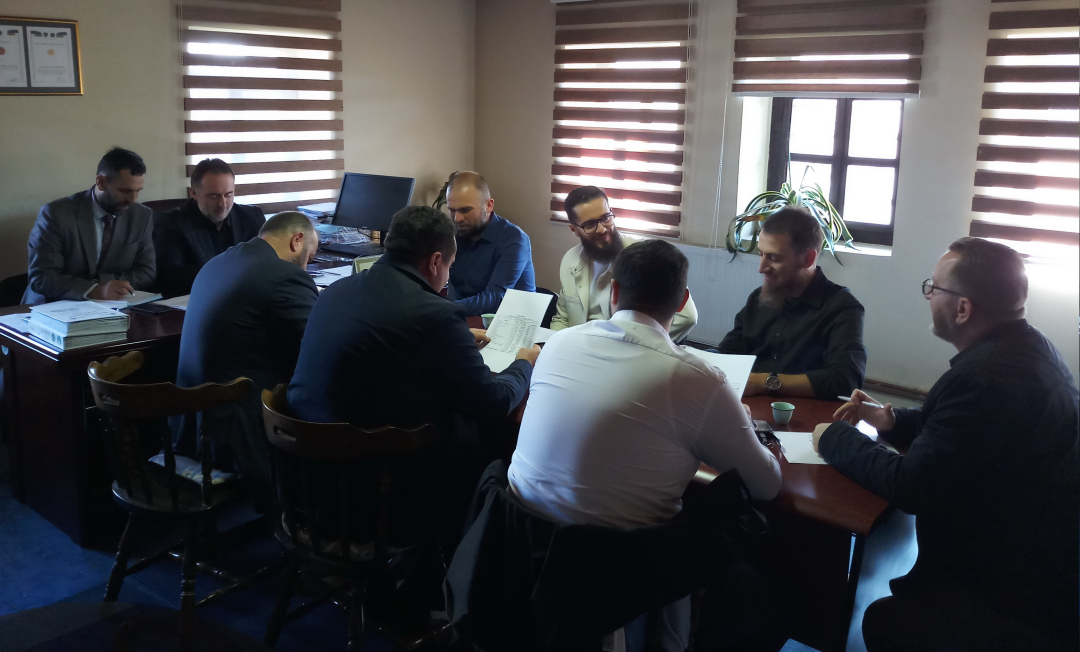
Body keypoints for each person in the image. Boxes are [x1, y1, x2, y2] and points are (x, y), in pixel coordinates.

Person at [509, 239, 782, 651]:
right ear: (682, 301)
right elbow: (766, 486)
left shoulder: (558, 344)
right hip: (613, 579)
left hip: (522, 556)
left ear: (614, 292)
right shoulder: (696, 379)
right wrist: (750, 431)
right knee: (750, 583)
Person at [812, 237, 1079, 652]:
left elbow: (910, 486)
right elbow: (962, 431)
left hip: (1008, 590)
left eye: (933, 288)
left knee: (884, 622)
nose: (928, 296)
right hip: (1040, 558)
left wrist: (833, 438)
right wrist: (891, 421)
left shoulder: (982, 378)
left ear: (963, 308)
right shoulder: (1029, 348)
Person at [287, 205, 539, 539]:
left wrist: (455, 341)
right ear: (435, 262)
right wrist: (523, 362)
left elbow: (390, 346)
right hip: (382, 485)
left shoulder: (336, 291)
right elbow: (494, 403)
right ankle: (466, 547)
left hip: (312, 476)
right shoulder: (435, 314)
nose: (447, 276)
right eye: (449, 265)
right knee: (490, 437)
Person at [172, 211, 319, 484]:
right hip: (238, 436)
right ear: (297, 240)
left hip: (192, 425)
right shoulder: (284, 275)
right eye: (309, 259)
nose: (306, 268)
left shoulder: (218, 261)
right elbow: (316, 351)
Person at [717, 207, 866, 400]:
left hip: (807, 416)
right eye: (761, 254)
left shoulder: (841, 308)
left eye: (774, 258)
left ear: (808, 258)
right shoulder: (758, 298)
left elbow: (845, 380)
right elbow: (727, 352)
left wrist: (766, 382)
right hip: (750, 410)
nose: (761, 268)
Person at [550, 185, 698, 341]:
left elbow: (686, 317)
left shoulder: (645, 257)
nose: (602, 229)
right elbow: (562, 319)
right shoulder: (570, 260)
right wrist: (548, 345)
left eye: (605, 218)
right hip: (577, 348)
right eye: (590, 224)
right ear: (574, 229)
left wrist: (633, 345)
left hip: (624, 350)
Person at [23, 147, 155, 304]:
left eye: (138, 191)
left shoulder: (141, 215)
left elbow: (146, 271)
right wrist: (95, 290)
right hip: (53, 305)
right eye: (125, 191)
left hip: (112, 306)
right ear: (101, 182)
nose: (132, 200)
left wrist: (109, 288)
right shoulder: (56, 214)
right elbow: (42, 277)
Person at [154, 158, 266, 297]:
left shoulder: (251, 217)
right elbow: (169, 275)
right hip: (197, 299)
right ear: (194, 193)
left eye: (228, 195)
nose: (223, 204)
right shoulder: (172, 223)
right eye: (214, 196)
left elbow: (267, 263)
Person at [444, 172, 535, 315]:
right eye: (452, 210)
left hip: (509, 320)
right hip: (465, 316)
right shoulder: (454, 234)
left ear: (488, 205)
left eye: (465, 210)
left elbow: (495, 298)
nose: (457, 218)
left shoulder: (514, 240)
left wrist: (444, 309)